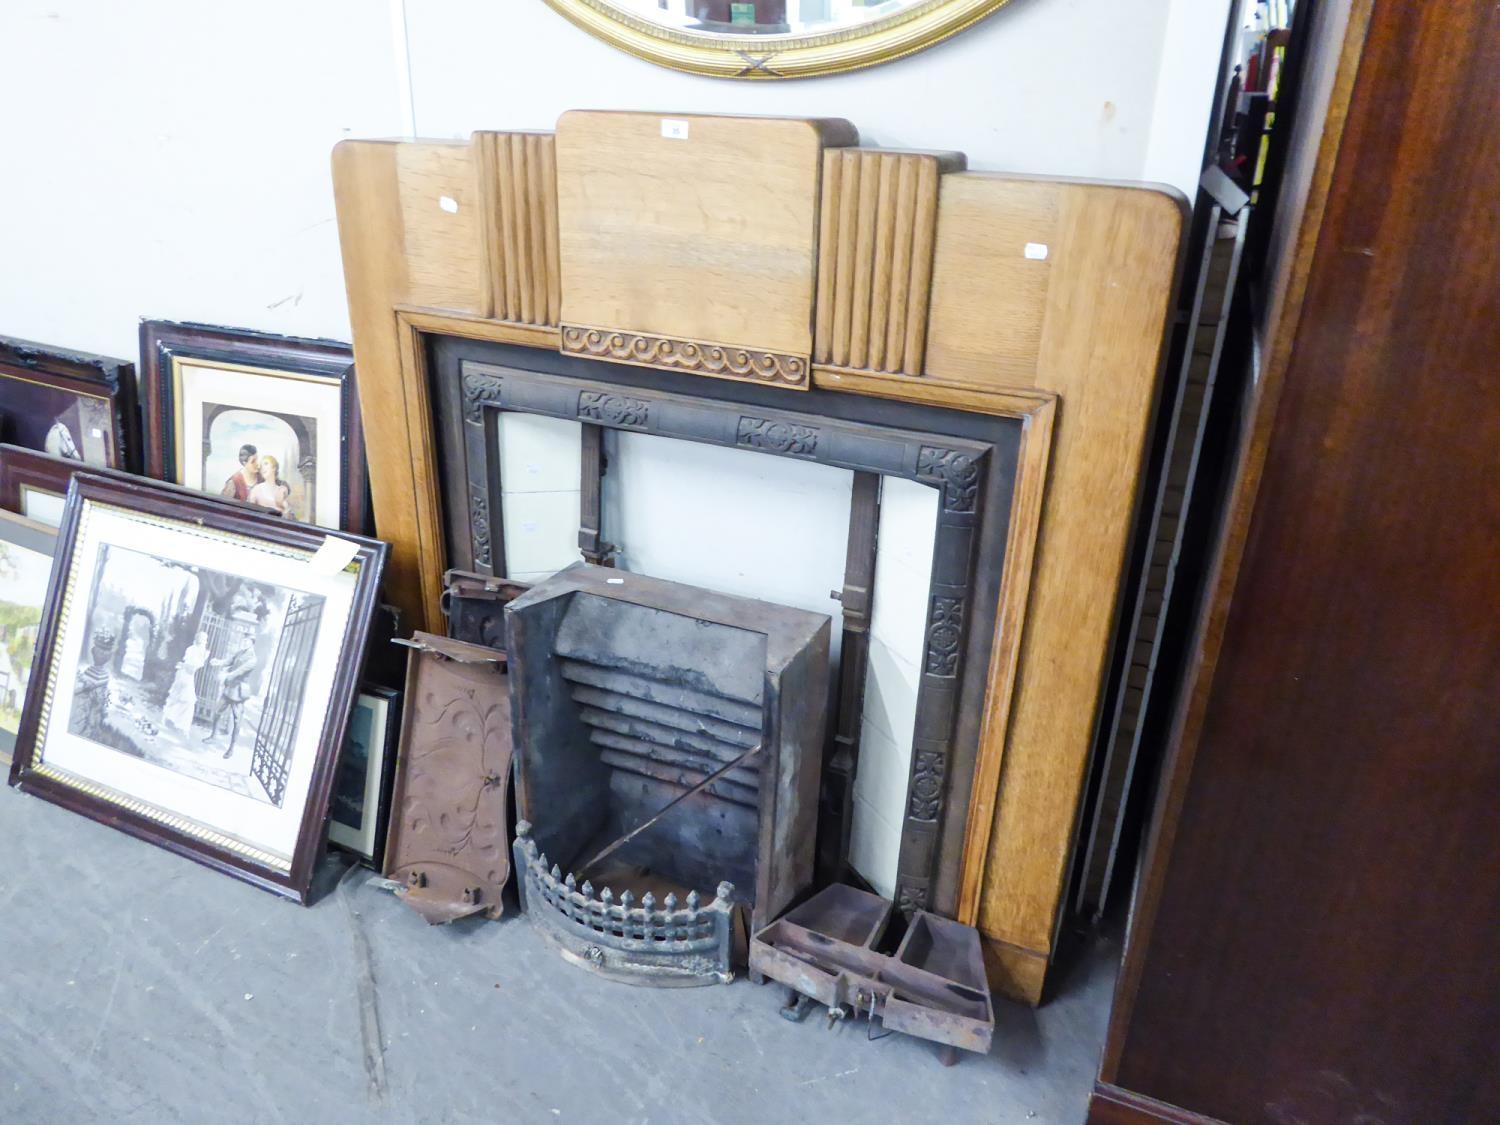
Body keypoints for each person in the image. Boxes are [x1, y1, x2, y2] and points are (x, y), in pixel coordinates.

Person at [209, 634, 259, 759]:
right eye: (244, 640)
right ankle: (213, 736)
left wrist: (227, 676)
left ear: (252, 643)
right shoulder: (240, 652)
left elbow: (240, 671)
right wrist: (218, 662)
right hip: (229, 689)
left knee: (237, 720)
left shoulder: (253, 659)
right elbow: (229, 661)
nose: (244, 643)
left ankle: (231, 748)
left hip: (239, 692)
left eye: (247, 641)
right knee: (217, 711)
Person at [161, 630, 209, 736]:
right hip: (183, 675)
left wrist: (202, 658)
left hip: (188, 676)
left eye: (205, 640)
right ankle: (169, 719)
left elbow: (194, 667)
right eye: (203, 639)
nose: (205, 642)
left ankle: (180, 724)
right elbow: (190, 667)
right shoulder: (192, 650)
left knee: (187, 701)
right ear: (198, 639)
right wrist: (185, 666)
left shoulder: (203, 652)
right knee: (179, 698)